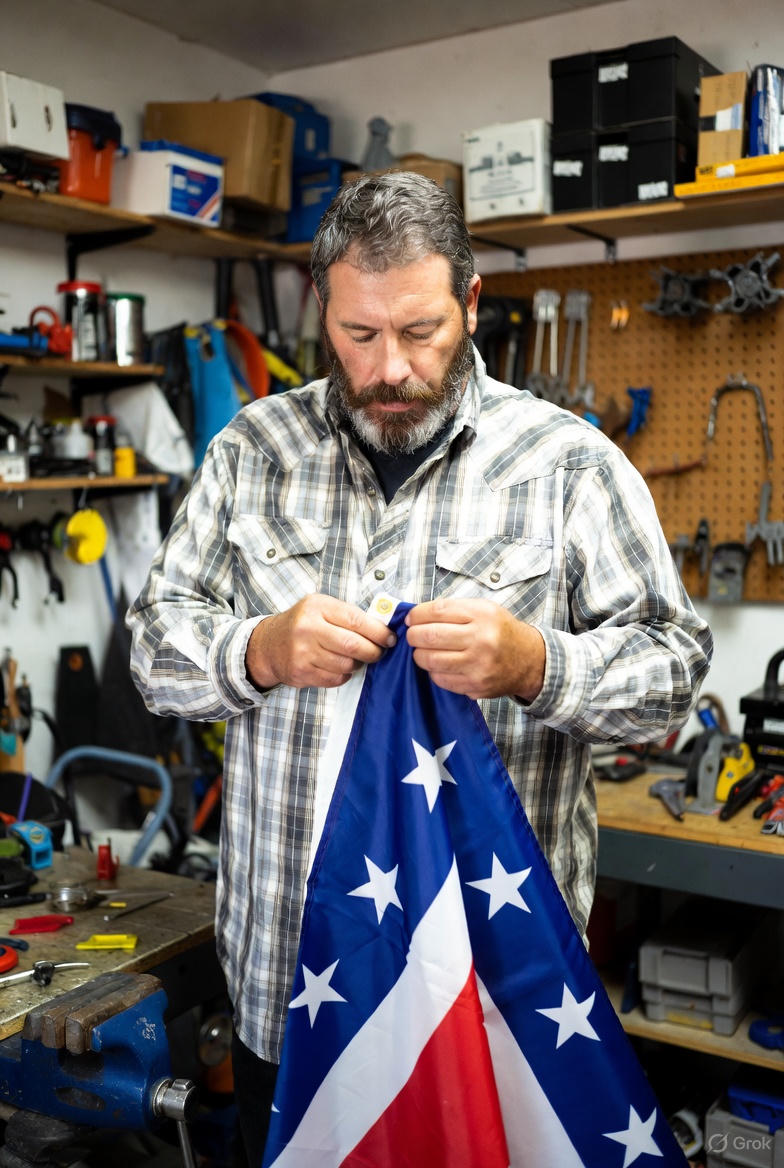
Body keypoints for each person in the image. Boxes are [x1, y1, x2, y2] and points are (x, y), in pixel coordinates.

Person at [127, 171, 713, 1165]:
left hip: (496, 1012)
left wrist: (538, 663)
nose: (390, 366)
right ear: (322, 308)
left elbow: (671, 669)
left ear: (472, 302)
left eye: (421, 331)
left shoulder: (568, 464)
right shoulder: (249, 452)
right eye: (359, 336)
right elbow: (151, 651)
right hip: (290, 990)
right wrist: (258, 649)